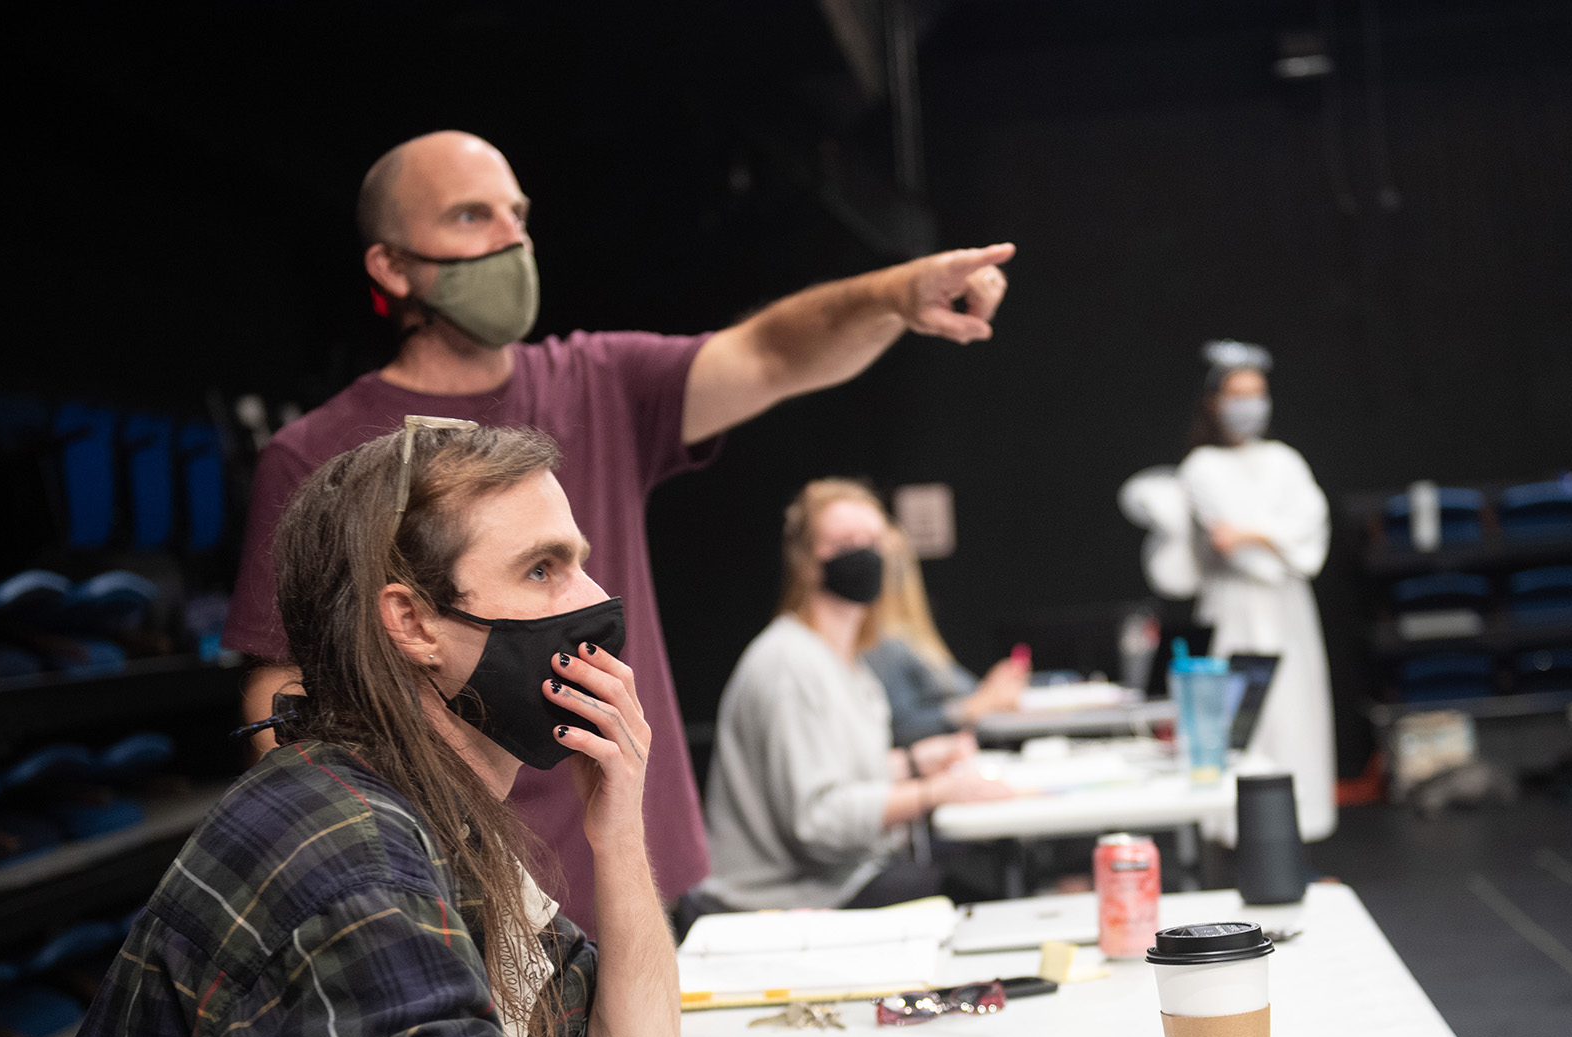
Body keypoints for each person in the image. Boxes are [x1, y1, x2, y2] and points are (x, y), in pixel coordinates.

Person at [19, 425, 1125, 1037]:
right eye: (544, 569)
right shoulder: (336, 844)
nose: (593, 601)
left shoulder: (431, 814)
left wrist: (619, 826)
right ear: (410, 622)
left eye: (582, 561)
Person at [224, 129, 1020, 935]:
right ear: (392, 265)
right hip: (454, 904)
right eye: (472, 217)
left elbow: (772, 354)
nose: (511, 239)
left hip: (637, 879)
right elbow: (281, 691)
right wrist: (352, 878)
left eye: (518, 215)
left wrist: (891, 295)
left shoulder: (597, 383)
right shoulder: (318, 455)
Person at [692, 481, 1013, 920]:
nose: (866, 555)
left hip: (834, 881)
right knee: (975, 907)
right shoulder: (789, 664)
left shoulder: (846, 663)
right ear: (807, 562)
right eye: (846, 543)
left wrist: (915, 763)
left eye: (873, 542)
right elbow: (818, 822)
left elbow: (839, 774)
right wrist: (935, 791)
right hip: (786, 899)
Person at [1176, 340, 1337, 841]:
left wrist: (1255, 532)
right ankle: (1235, 832)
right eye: (1237, 393)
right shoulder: (1201, 467)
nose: (1249, 405)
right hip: (1235, 609)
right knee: (1239, 720)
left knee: (1295, 715)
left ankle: (1300, 826)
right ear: (1213, 400)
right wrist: (1269, 536)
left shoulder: (1286, 460)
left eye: (1257, 392)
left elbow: (1309, 532)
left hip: (1288, 611)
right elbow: (1232, 545)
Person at [864, 520, 1030, 746]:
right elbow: (901, 726)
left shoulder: (910, 636)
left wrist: (989, 691)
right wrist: (978, 704)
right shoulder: (883, 643)